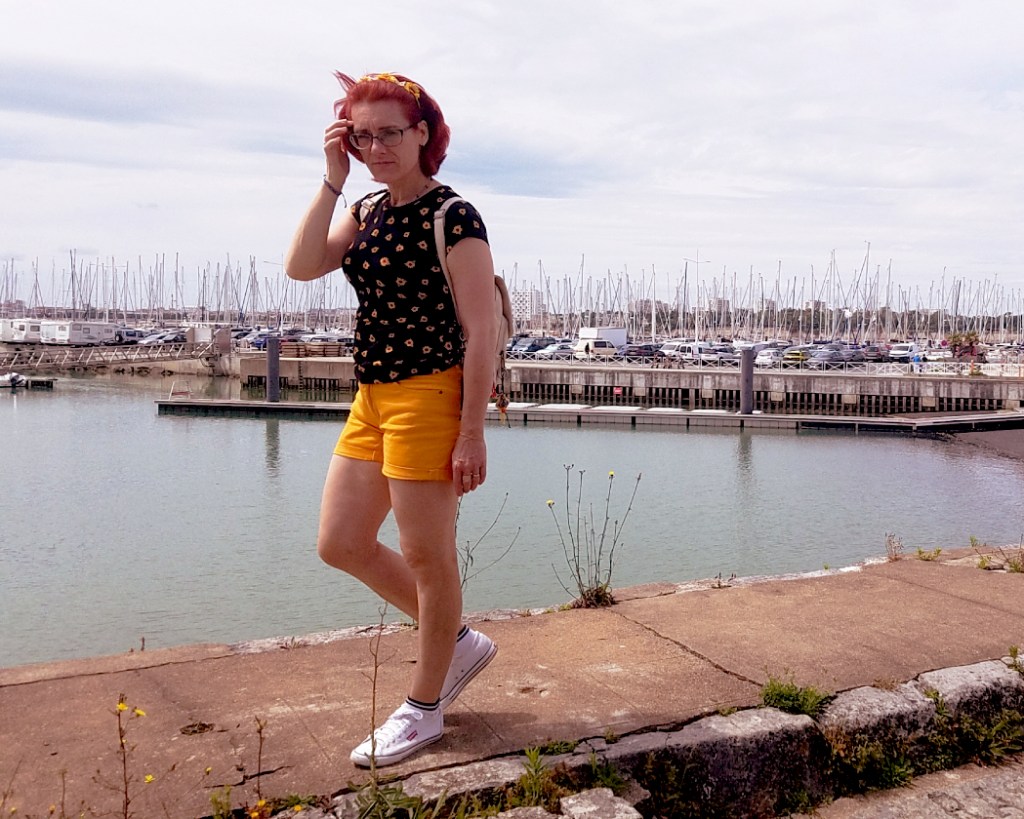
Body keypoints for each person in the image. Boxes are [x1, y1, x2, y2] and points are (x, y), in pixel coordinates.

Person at [285, 71, 498, 768]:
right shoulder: (368, 209)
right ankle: (458, 642)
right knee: (340, 541)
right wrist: (332, 179)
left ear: (422, 133)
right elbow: (302, 265)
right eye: (361, 135)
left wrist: (471, 431)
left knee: (428, 557)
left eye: (389, 133)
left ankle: (424, 708)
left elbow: (481, 332)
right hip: (372, 395)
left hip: (430, 394)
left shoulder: (454, 216)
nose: (375, 147)